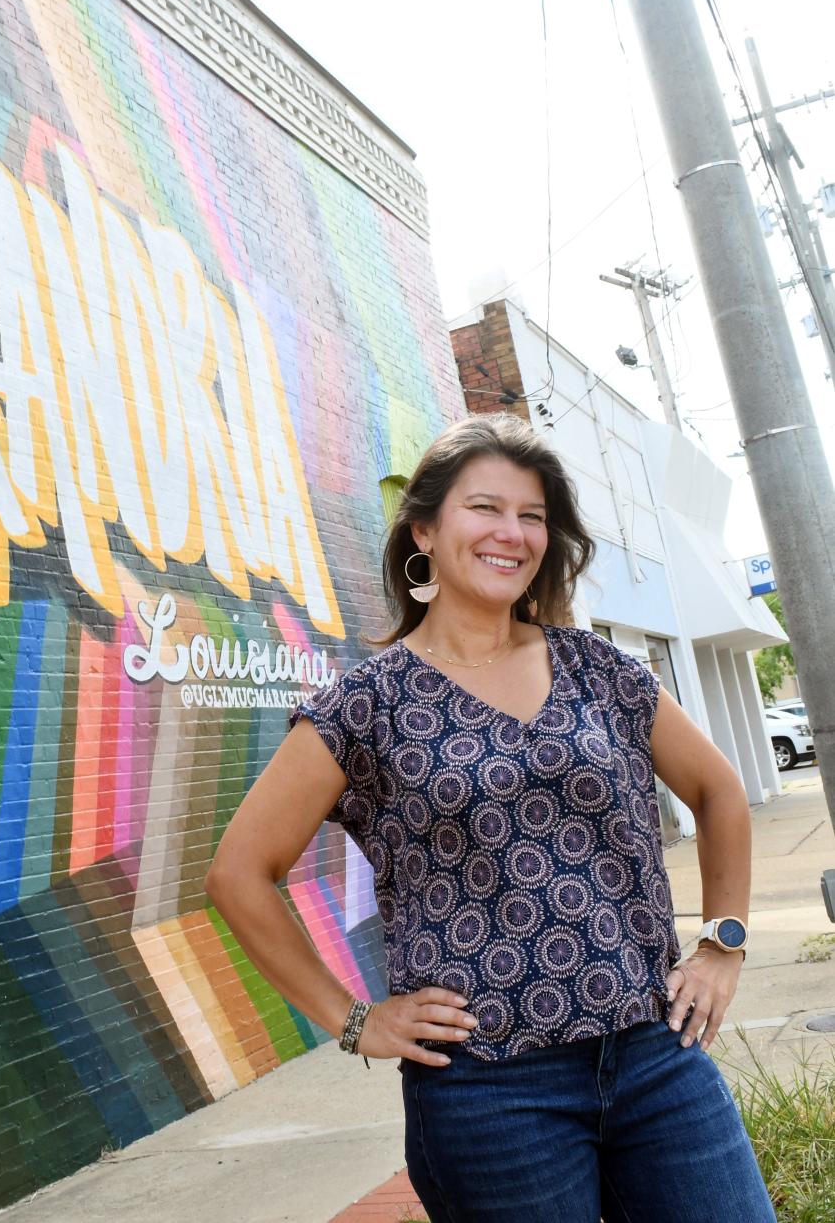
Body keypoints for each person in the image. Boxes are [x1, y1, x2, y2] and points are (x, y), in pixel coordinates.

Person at [204, 414, 776, 1222]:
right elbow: (237, 873)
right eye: (486, 508)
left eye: (533, 515)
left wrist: (723, 944)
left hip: (656, 1056)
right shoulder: (367, 704)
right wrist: (352, 1018)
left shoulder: (598, 669)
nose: (513, 532)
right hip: (490, 1091)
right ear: (425, 531)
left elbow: (718, 794)